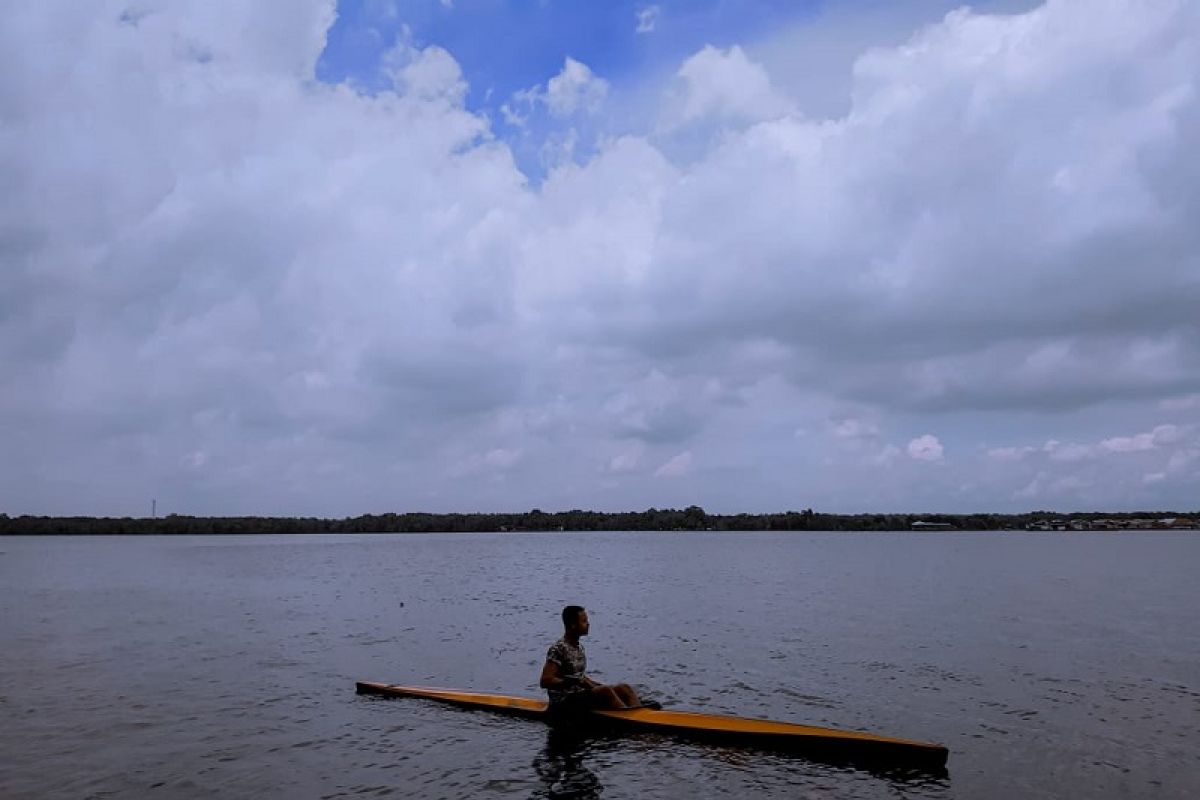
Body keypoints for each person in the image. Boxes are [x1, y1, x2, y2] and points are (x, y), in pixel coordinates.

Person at [539, 605, 660, 711]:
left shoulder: (578, 647)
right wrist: (573, 682)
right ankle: (631, 718)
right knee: (605, 691)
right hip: (563, 702)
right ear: (572, 625)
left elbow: (581, 677)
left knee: (624, 688)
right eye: (584, 621)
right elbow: (545, 680)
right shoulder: (558, 648)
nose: (588, 624)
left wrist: (606, 687)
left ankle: (641, 714)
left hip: (579, 694)